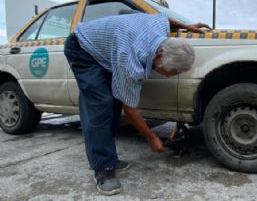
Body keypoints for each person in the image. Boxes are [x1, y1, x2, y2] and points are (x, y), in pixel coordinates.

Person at [64, 12, 210, 196]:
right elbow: (130, 108)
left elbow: (165, 19)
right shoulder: (130, 61)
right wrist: (151, 137)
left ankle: (107, 156)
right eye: (170, 72)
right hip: (82, 47)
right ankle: (103, 168)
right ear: (159, 56)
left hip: (109, 48)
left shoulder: (160, 30)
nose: (168, 76)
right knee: (101, 103)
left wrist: (188, 26)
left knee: (115, 99)